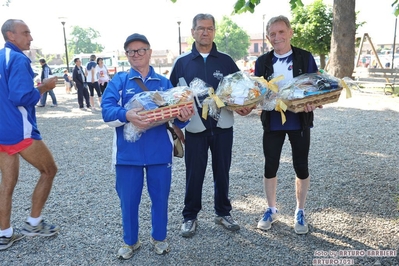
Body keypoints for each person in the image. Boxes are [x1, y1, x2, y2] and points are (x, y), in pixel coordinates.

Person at [101, 33, 194, 260]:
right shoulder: (119, 81)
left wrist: (184, 115)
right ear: (126, 55)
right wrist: (127, 114)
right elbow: (106, 111)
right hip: (127, 155)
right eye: (131, 51)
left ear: (149, 52)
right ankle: (130, 241)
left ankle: (159, 238)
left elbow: (177, 118)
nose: (136, 54)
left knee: (160, 198)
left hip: (159, 153)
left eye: (141, 50)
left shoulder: (163, 83)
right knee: (129, 201)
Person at [169, 13, 253, 238]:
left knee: (222, 172)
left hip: (223, 126)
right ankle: (189, 216)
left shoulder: (225, 60)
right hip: (195, 129)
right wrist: (177, 125)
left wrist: (246, 107)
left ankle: (223, 212)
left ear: (214, 31)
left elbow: (241, 91)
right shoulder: (182, 62)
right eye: (200, 28)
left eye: (209, 28)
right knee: (194, 174)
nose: (205, 32)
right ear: (193, 32)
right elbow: (172, 97)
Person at [254, 15, 319, 235]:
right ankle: (271, 209)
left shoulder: (304, 57)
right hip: (272, 122)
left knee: (301, 166)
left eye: (281, 32)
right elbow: (257, 93)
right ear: (268, 37)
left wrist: (313, 102)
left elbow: (316, 87)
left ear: (290, 32)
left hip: (299, 121)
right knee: (270, 166)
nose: (277, 37)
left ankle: (300, 211)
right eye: (272, 33)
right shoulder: (262, 61)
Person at [0, 19, 60, 251]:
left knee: (8, 182)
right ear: (11, 35)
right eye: (26, 33)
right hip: (19, 130)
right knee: (49, 170)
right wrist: (44, 87)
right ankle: (33, 224)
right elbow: (20, 98)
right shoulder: (18, 59)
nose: (31, 37)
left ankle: (4, 234)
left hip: (2, 130)